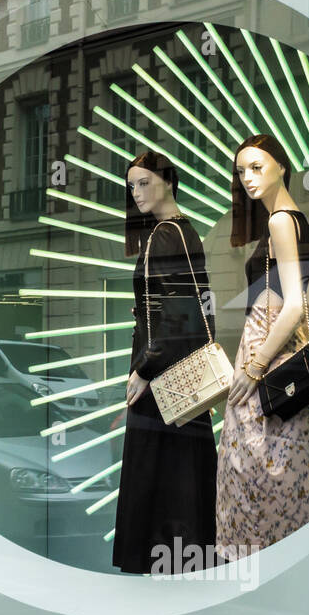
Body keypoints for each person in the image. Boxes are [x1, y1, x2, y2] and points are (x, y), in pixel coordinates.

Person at [215, 133, 309, 558]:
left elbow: (296, 303)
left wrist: (255, 365)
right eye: (241, 170)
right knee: (301, 468)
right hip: (283, 347)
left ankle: (265, 567)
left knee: (255, 468)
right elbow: (308, 296)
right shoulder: (294, 219)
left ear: (281, 165)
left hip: (268, 347)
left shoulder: (281, 220)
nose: (247, 177)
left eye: (257, 167)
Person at [111, 150, 217, 574]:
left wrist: (143, 368)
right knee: (185, 475)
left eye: (144, 182)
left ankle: (156, 569)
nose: (137, 193)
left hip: (160, 380)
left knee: (154, 475)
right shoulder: (188, 232)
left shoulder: (161, 236)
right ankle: (190, 565)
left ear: (168, 180)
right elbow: (199, 308)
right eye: (132, 186)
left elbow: (173, 314)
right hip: (185, 374)